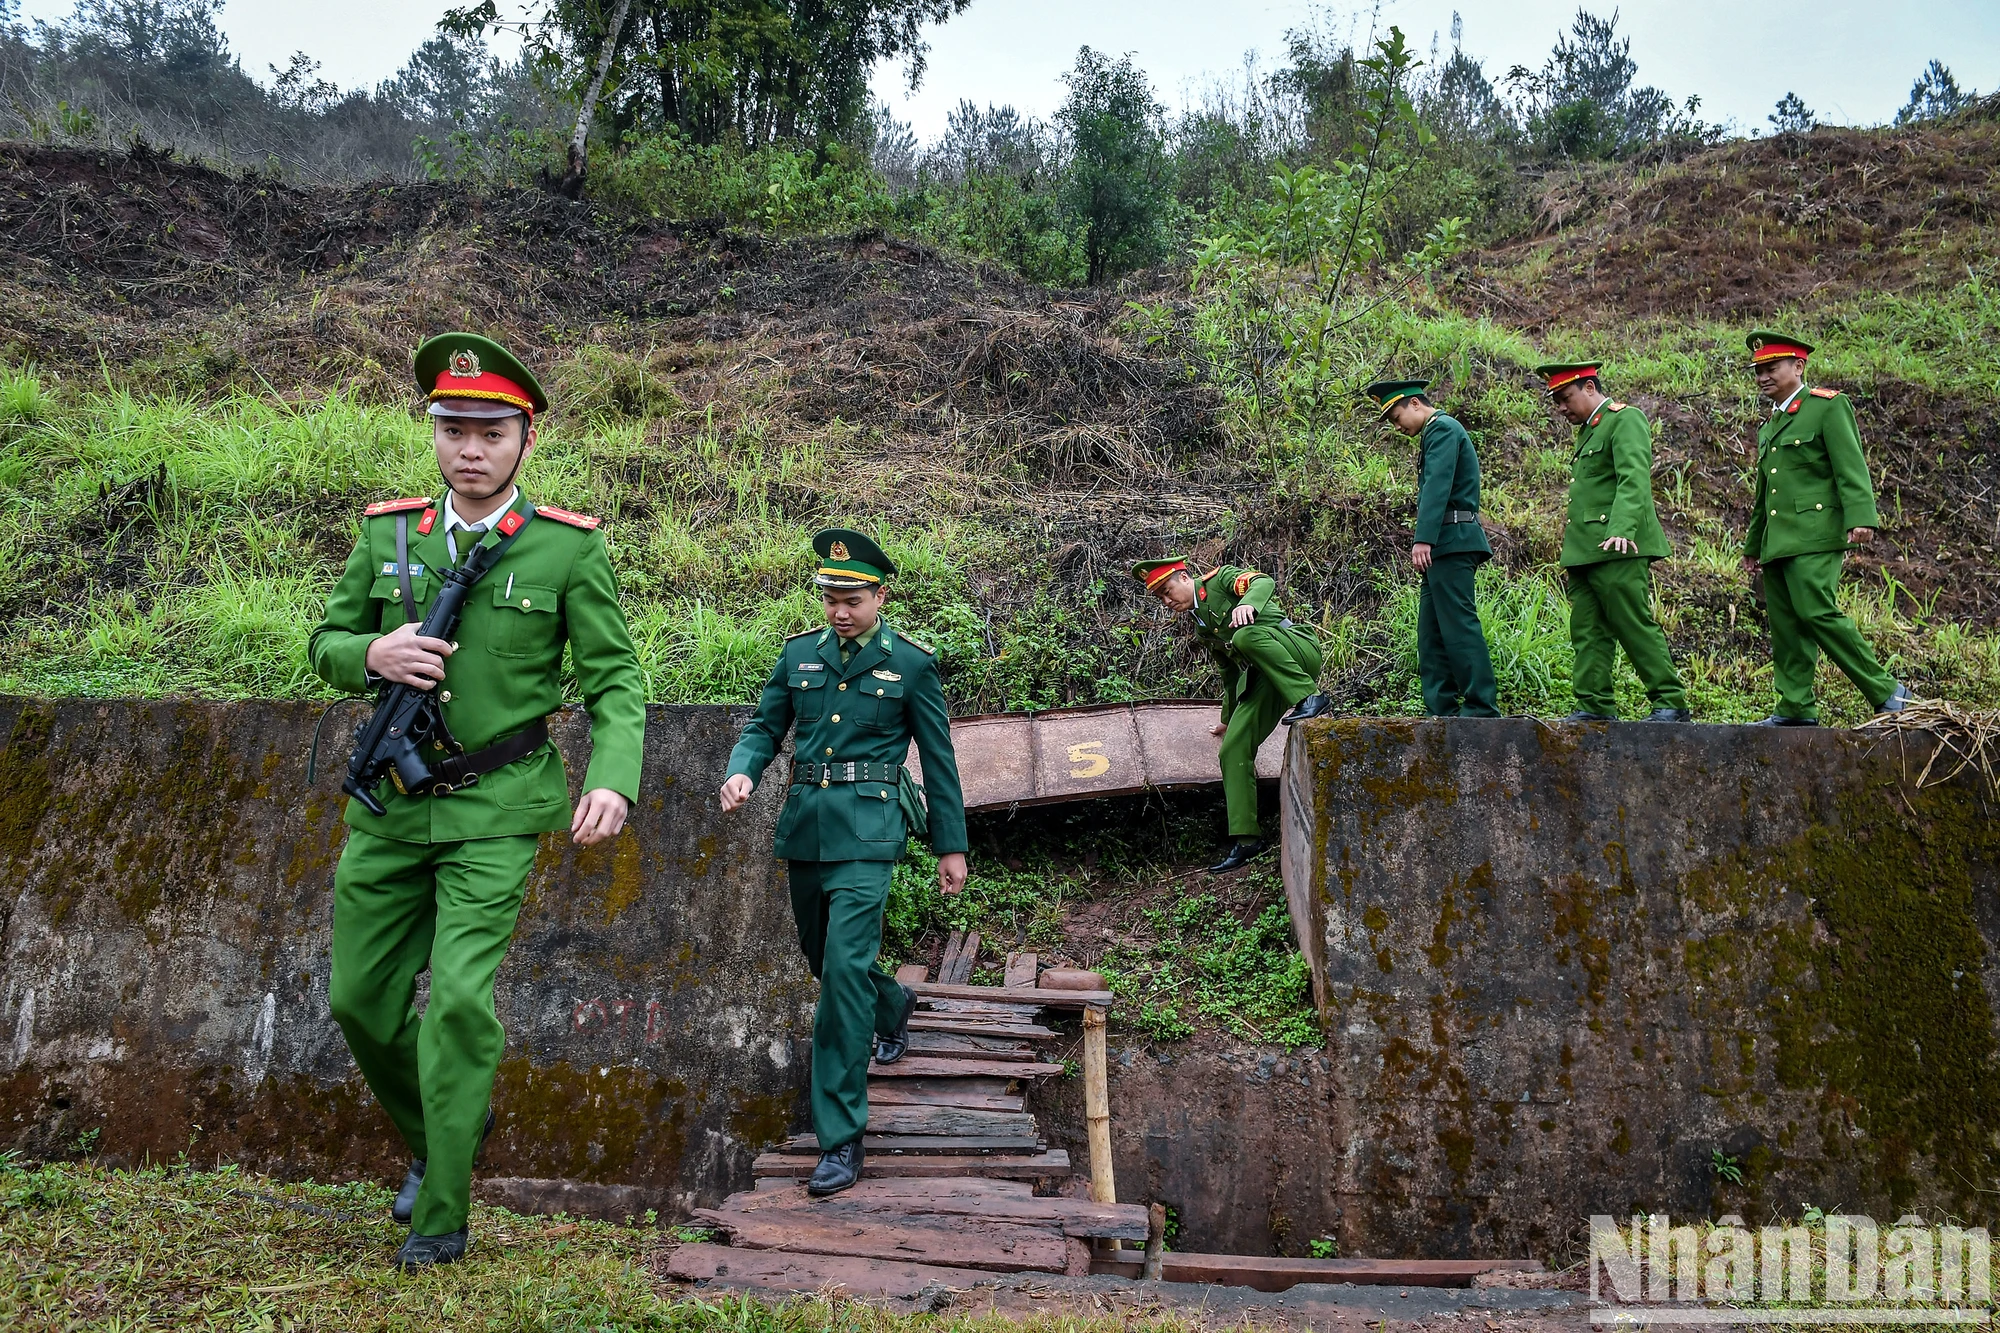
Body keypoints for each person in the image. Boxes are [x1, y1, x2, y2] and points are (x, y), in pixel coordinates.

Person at [310, 333, 646, 1268]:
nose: (469, 448)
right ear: (434, 436)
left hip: (497, 805)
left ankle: (441, 1215)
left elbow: (615, 678)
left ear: (524, 441)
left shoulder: (565, 550)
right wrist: (371, 653)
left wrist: (612, 773)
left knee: (458, 999)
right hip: (386, 805)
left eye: (489, 431)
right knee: (360, 1002)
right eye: (453, 428)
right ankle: (438, 1131)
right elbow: (328, 641)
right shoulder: (389, 534)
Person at [718, 529, 968, 1198]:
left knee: (838, 981)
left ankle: (841, 1135)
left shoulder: (911, 665)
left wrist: (951, 844)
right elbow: (765, 726)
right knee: (821, 956)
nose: (838, 610)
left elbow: (938, 761)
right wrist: (743, 771)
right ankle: (893, 1003)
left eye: (851, 598)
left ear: (880, 596)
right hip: (806, 828)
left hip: (870, 833)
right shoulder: (799, 655)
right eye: (829, 597)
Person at [1740, 331, 1913, 724]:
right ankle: (1795, 707)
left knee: (1815, 611)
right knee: (1786, 625)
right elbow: (1764, 494)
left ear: (1798, 367)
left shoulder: (1827, 408)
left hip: (1816, 534)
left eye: (1772, 368)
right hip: (1778, 541)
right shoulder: (1771, 425)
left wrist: (1861, 517)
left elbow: (1849, 465)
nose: (1763, 377)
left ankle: (1888, 692)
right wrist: (1754, 545)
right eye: (1758, 371)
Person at [1131, 557, 1329, 873]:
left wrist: (1247, 604)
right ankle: (1248, 839)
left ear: (1184, 577)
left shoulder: (1220, 581)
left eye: (1168, 591)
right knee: (1233, 748)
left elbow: (1263, 581)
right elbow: (1229, 674)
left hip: (1296, 650)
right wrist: (1227, 717)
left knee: (1244, 636)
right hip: (1269, 674)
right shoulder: (1202, 628)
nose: (1168, 601)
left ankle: (1311, 697)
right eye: (1161, 598)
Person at [1536, 360, 1691, 724]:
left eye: (1565, 397)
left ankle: (1670, 700)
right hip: (1587, 549)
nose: (1561, 407)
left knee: (1631, 622)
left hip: (1619, 545)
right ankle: (1594, 704)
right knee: (1587, 631)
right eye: (1556, 400)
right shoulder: (1590, 430)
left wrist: (1621, 528)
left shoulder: (1625, 419)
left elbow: (1633, 477)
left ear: (1590, 388)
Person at [1366, 378, 1500, 719]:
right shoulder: (1435, 433)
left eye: (1397, 418)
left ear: (1414, 404)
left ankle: (1480, 708)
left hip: (1451, 540)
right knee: (1432, 631)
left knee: (1457, 625)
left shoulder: (1442, 428)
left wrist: (1422, 537)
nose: (1397, 427)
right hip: (1445, 542)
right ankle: (1441, 709)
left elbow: (1438, 484)